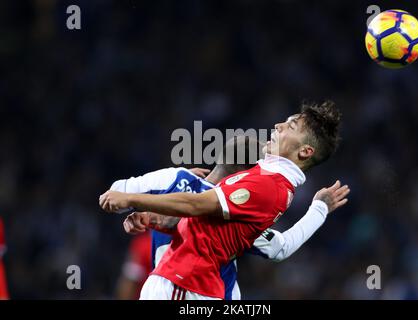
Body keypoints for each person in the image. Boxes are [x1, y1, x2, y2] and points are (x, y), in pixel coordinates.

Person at [100, 101, 349, 300]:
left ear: (305, 151)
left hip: (184, 284)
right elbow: (276, 246)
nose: (278, 126)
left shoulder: (265, 186)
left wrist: (132, 199)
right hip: (194, 287)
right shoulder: (264, 180)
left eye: (290, 126)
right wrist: (319, 208)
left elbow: (195, 206)